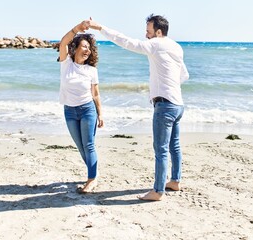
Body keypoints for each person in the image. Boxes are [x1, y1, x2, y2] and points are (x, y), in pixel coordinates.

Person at [86, 14, 189, 201]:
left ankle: (158, 191)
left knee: (161, 149)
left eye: (148, 31)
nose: (145, 35)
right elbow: (184, 75)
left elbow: (126, 42)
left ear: (158, 32)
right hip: (178, 103)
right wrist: (170, 85)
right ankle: (175, 180)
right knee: (174, 145)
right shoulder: (176, 46)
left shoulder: (156, 44)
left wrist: (100, 28)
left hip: (165, 105)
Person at [58, 21, 104, 193]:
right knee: (80, 146)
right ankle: (94, 172)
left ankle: (91, 179)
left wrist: (100, 114)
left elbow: (96, 94)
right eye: (84, 46)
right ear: (75, 48)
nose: (87, 50)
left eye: (89, 48)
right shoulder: (66, 63)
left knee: (89, 145)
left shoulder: (91, 70)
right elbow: (63, 42)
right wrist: (78, 28)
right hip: (69, 111)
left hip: (87, 109)